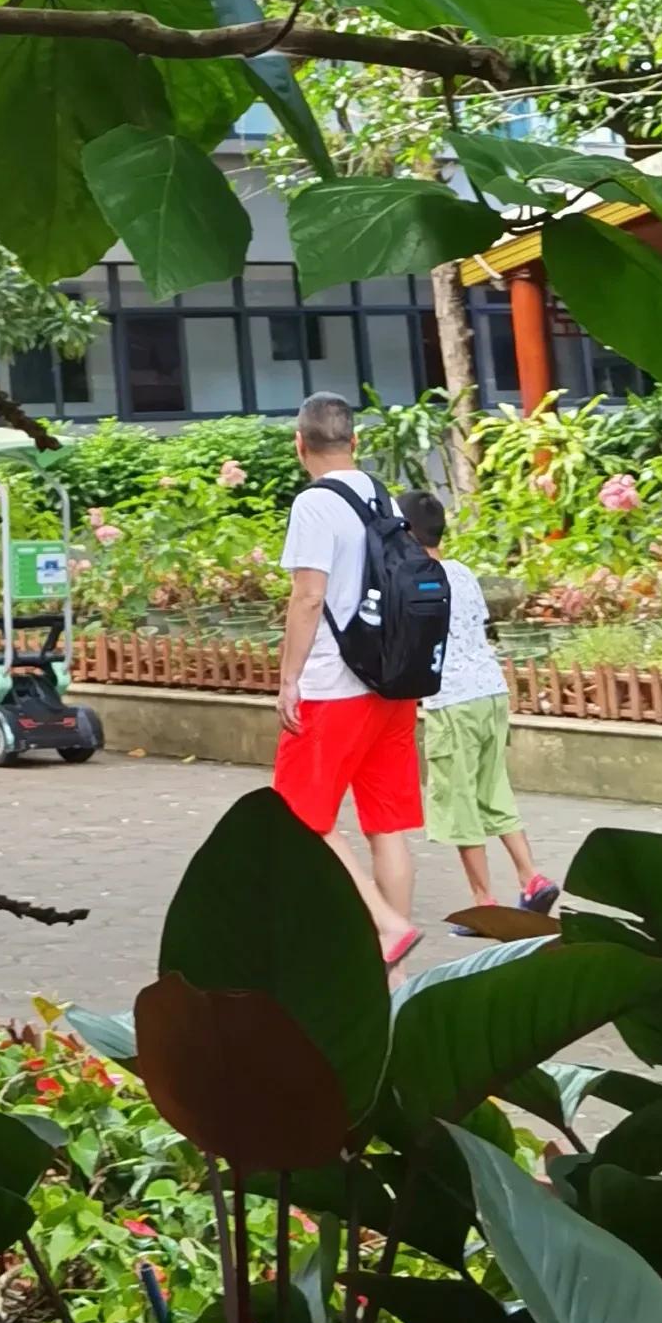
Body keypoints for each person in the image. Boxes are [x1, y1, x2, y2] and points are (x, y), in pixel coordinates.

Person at [273, 392, 425, 967]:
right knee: (386, 825)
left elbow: (309, 596)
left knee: (296, 817)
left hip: (335, 687)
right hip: (391, 681)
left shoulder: (314, 503)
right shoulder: (379, 494)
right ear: (354, 442)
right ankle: (389, 979)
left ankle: (386, 927)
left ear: (300, 445)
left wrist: (290, 681)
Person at [400, 489, 558, 913]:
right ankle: (531, 877)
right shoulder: (462, 572)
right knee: (494, 789)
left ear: (404, 533)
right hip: (491, 692)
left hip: (451, 701)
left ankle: (482, 902)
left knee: (458, 800)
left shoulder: (413, 579)